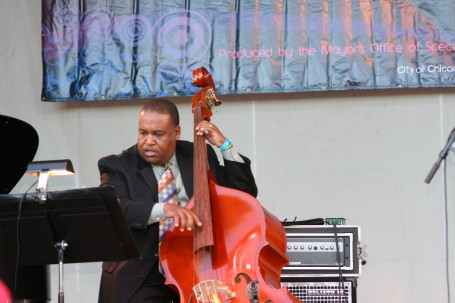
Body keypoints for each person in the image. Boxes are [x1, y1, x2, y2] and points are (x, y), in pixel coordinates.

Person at [97, 99, 258, 303]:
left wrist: (225, 146)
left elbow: (243, 197)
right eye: (143, 133)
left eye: (158, 134)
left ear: (176, 132)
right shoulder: (117, 165)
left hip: (196, 269)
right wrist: (164, 209)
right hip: (144, 273)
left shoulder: (199, 154)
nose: (148, 141)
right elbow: (116, 209)